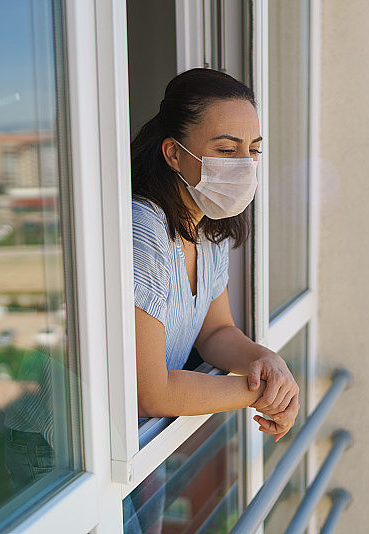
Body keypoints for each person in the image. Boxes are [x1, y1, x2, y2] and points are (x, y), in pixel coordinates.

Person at [126, 67, 300, 532]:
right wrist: (261, 392)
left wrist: (266, 360)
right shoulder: (142, 232)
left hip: (143, 439)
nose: (244, 164)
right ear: (174, 154)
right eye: (226, 149)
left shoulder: (207, 228)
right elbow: (152, 390)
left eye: (253, 150)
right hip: (69, 452)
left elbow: (215, 331)